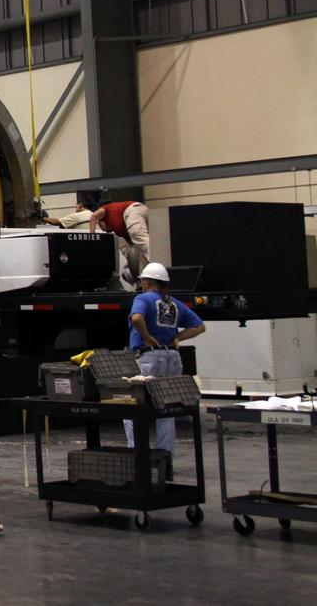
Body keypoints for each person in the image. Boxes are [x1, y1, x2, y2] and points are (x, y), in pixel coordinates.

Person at [123, 262, 205, 464]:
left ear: (147, 281)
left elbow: (136, 318)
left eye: (142, 280)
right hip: (172, 358)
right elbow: (199, 326)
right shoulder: (174, 303)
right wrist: (178, 338)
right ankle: (164, 460)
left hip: (150, 357)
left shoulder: (143, 299)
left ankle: (137, 458)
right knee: (166, 410)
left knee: (130, 407)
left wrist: (147, 336)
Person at [88, 198, 151, 277]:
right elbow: (132, 247)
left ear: (101, 220)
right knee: (140, 250)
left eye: (99, 225)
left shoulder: (105, 209)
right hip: (143, 210)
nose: (103, 229)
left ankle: (157, 263)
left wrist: (91, 239)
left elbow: (94, 216)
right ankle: (146, 276)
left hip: (133, 210)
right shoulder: (118, 229)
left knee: (141, 240)